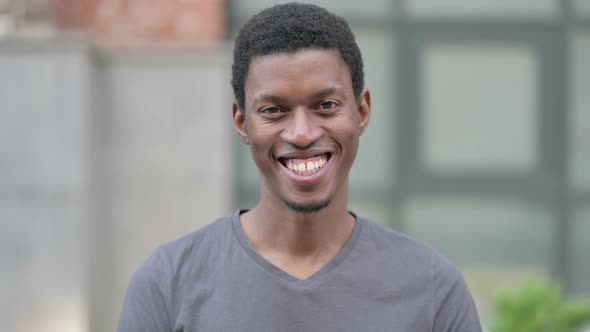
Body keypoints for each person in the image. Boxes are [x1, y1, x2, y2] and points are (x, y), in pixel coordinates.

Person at [117, 3, 483, 331]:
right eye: (273, 110)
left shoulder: (432, 289)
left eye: (326, 105)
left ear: (363, 112)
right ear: (243, 123)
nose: (302, 133)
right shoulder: (167, 284)